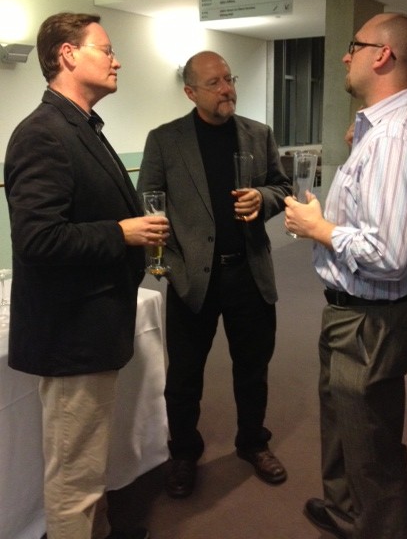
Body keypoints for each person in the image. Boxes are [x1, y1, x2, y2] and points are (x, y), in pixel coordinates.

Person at [285, 13, 407, 539]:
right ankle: (348, 514)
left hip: (370, 322)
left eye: (353, 46)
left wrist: (320, 229)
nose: (343, 55)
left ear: (381, 55)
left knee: (370, 445)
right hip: (365, 315)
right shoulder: (404, 125)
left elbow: (391, 253)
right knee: (344, 423)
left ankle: (375, 526)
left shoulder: (394, 141)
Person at [4, 12, 169, 539]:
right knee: (75, 481)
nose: (117, 59)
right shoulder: (42, 134)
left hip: (93, 328)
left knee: (89, 472)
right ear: (68, 55)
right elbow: (37, 239)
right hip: (71, 335)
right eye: (106, 48)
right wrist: (121, 233)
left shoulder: (81, 127)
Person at [137, 50, 291, 498]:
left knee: (253, 368)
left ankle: (252, 443)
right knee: (184, 375)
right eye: (215, 83)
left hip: (249, 274)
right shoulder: (165, 140)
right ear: (190, 92)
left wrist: (263, 198)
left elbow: (283, 186)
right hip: (192, 280)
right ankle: (183, 452)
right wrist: (161, 266)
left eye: (230, 78)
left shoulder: (258, 135)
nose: (227, 89)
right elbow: (150, 204)